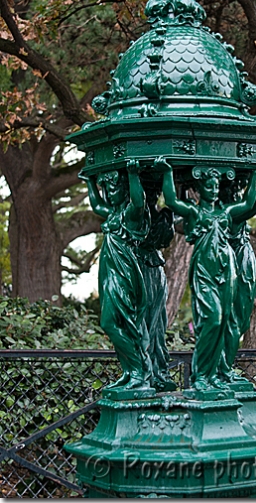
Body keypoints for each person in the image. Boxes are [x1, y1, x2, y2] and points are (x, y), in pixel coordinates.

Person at [153, 157, 256, 391]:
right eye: (209, 185)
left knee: (225, 323)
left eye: (216, 185)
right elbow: (172, 200)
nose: (214, 189)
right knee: (211, 320)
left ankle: (215, 374)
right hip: (205, 272)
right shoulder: (195, 212)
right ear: (200, 189)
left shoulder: (226, 212)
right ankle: (201, 375)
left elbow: (252, 205)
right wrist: (166, 173)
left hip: (228, 273)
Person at [80, 161, 152, 390]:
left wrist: (132, 175)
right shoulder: (111, 214)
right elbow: (96, 204)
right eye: (107, 188)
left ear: (124, 189)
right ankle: (131, 371)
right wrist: (90, 182)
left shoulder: (129, 216)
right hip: (108, 274)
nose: (110, 192)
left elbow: (139, 202)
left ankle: (138, 370)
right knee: (113, 323)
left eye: (114, 187)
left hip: (123, 274)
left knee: (114, 323)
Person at [218, 166, 256, 382]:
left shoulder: (233, 209)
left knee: (240, 323)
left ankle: (224, 367)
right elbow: (253, 204)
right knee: (232, 322)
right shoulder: (226, 212)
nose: (236, 193)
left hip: (245, 260)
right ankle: (222, 368)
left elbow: (255, 203)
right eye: (232, 190)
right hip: (233, 263)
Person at [137, 185, 177, 392]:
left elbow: (166, 238)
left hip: (155, 267)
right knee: (144, 321)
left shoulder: (163, 216)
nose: (153, 194)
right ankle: (144, 371)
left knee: (158, 323)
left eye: (155, 191)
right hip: (141, 268)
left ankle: (159, 371)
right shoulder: (136, 213)